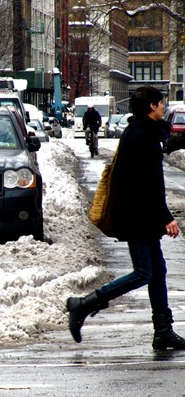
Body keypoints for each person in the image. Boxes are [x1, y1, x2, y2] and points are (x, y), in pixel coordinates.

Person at [66, 86, 185, 350]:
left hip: (141, 214)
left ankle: (163, 331)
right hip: (138, 216)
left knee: (157, 272)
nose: (164, 107)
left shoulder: (141, 131)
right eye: (161, 103)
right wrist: (166, 217)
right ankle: (84, 304)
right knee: (143, 273)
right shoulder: (143, 135)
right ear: (152, 106)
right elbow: (148, 183)